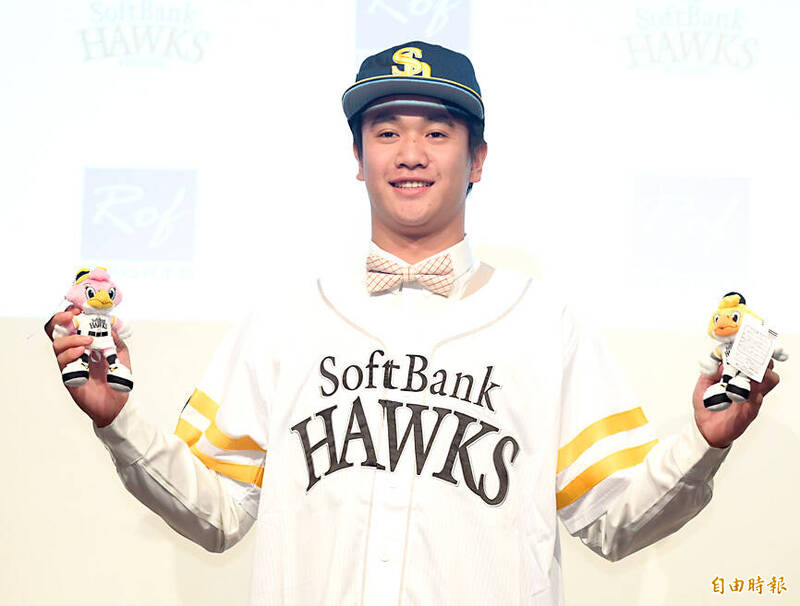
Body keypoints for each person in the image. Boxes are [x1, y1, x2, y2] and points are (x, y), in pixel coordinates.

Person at [47, 41, 781, 605]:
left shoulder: (547, 323)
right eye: (386, 131)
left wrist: (704, 444)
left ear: (478, 159)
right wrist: (118, 421)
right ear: (359, 158)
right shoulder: (284, 319)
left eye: (436, 132)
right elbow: (216, 512)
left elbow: (614, 522)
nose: (409, 154)